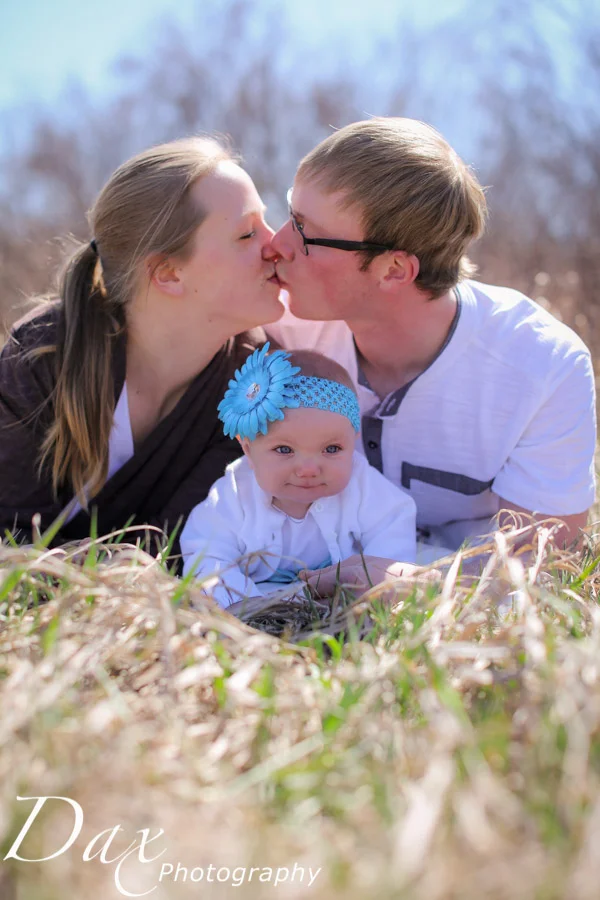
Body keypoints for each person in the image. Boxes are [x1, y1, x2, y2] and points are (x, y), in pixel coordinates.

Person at [265, 117, 596, 592]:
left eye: (305, 232)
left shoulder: (543, 365)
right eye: (289, 213)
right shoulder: (280, 331)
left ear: (394, 270)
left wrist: (417, 584)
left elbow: (544, 564)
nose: (276, 243)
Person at [0, 136, 284, 561]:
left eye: (267, 223)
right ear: (168, 273)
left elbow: (179, 551)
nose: (276, 244)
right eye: (247, 234)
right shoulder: (43, 356)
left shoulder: (256, 382)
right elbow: (11, 538)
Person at [180, 345, 417, 608]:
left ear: (353, 441)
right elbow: (207, 552)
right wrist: (245, 605)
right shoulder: (235, 493)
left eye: (331, 449)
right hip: (257, 597)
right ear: (248, 449)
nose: (308, 469)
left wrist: (375, 584)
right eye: (284, 450)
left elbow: (392, 523)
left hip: (340, 597)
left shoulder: (361, 484)